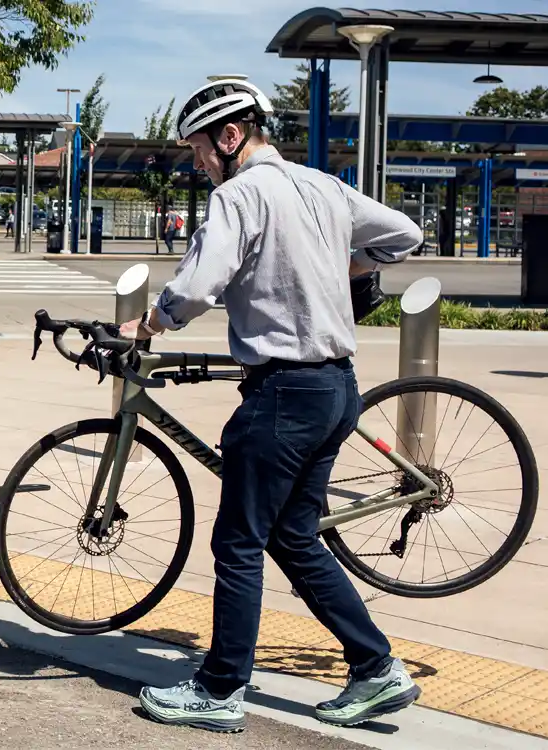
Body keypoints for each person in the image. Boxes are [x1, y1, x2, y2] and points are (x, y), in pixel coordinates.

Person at [120, 78, 424, 734]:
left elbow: (199, 285)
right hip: (336, 385)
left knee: (238, 540)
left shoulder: (241, 194)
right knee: (292, 535)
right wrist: (340, 263)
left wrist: (151, 322)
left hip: (284, 391)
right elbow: (405, 234)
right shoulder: (321, 186)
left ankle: (220, 688)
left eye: (201, 148)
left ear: (232, 138)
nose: (199, 161)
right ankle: (377, 669)